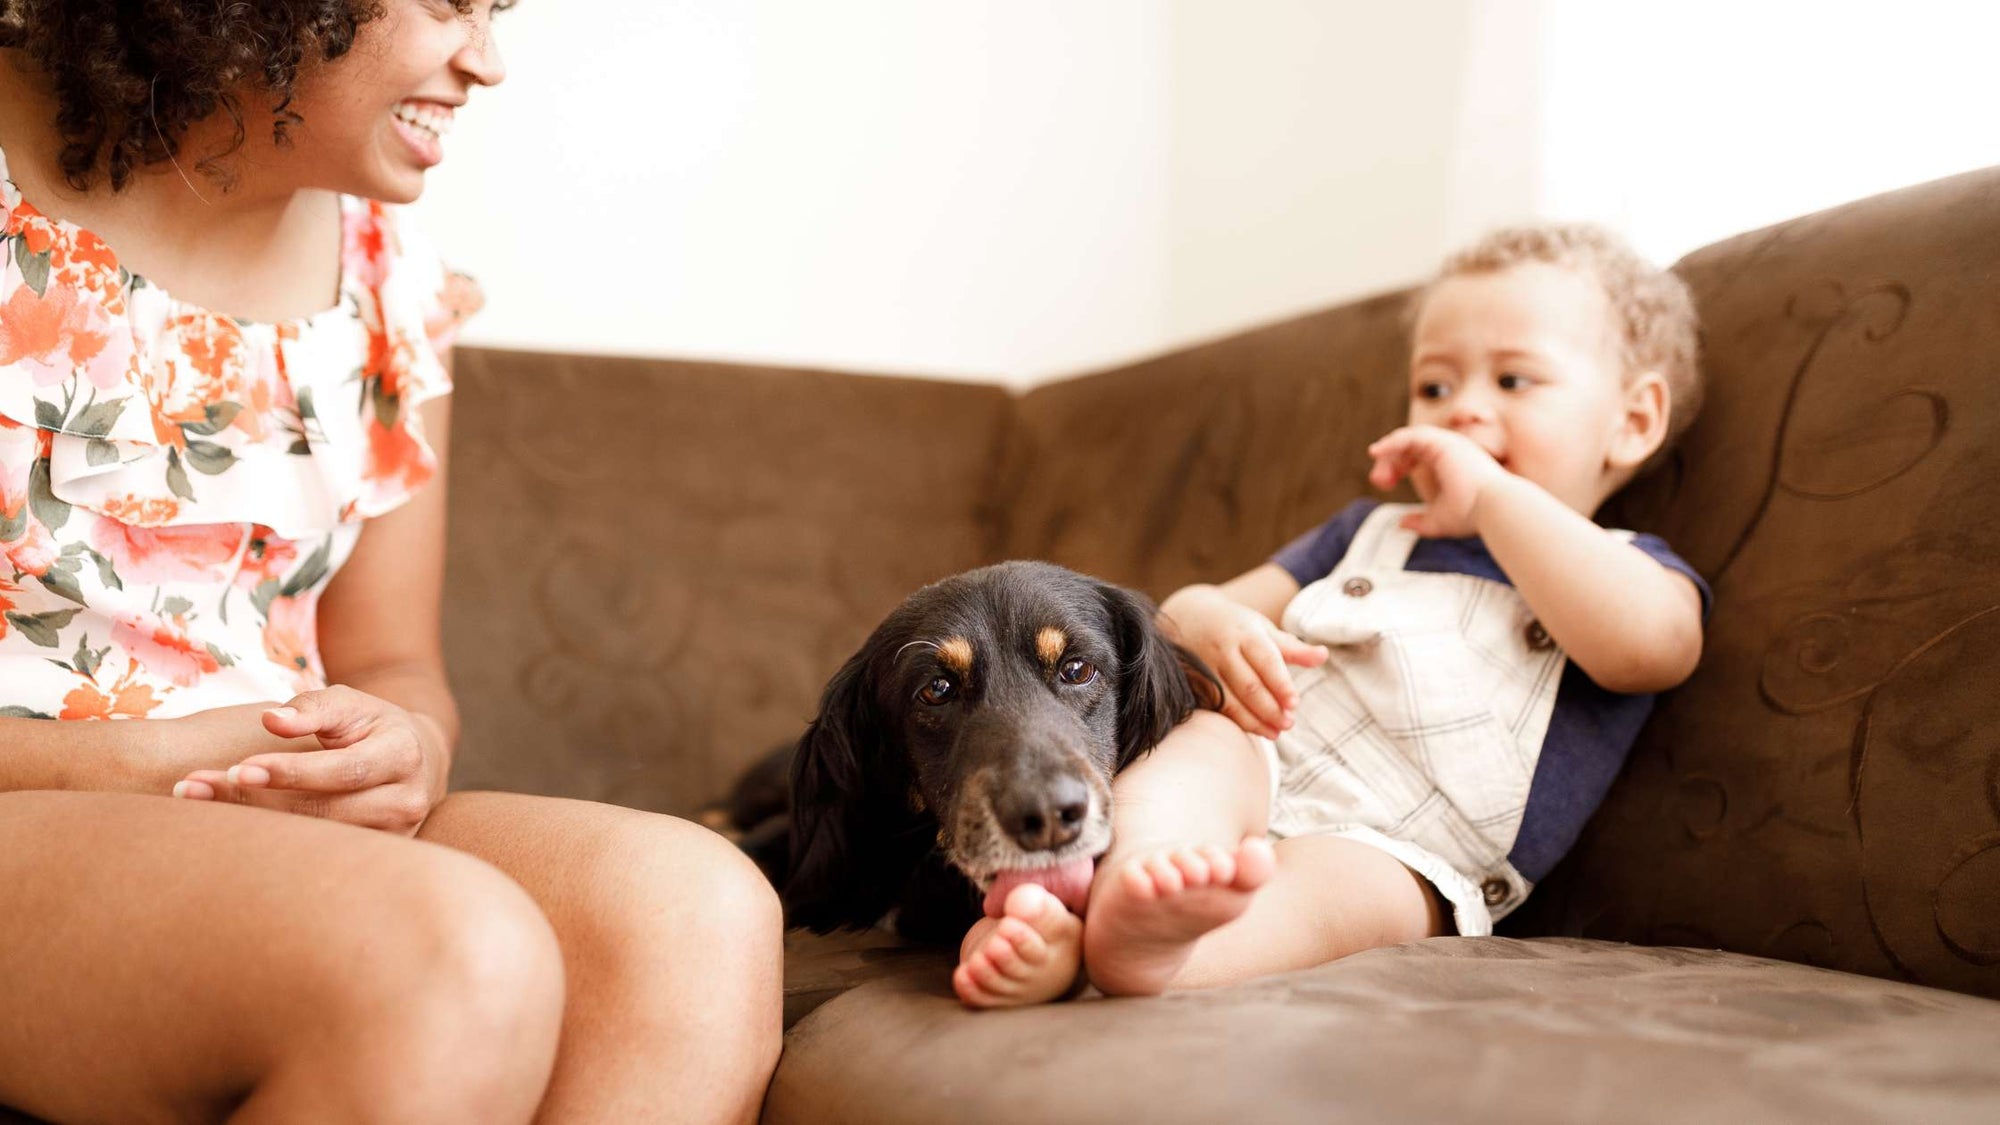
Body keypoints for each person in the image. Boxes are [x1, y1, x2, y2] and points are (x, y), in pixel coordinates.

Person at [0, 2, 781, 1120]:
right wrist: (151, 764)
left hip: (257, 816)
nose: (489, 61)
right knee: (451, 955)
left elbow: (391, 661)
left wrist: (402, 743)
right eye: (448, 4)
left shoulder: (392, 289)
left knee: (692, 911)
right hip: (31, 807)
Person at [952, 223, 1711, 1007]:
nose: (1463, 412)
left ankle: (1147, 949)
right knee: (1198, 752)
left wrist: (1489, 498)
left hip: (1398, 850)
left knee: (1331, 898)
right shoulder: (1367, 531)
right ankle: (1102, 894)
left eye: (1513, 382)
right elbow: (1181, 619)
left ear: (1634, 421)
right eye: (1436, 387)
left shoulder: (1632, 569)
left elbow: (1652, 649)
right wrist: (1211, 621)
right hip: (1264, 754)